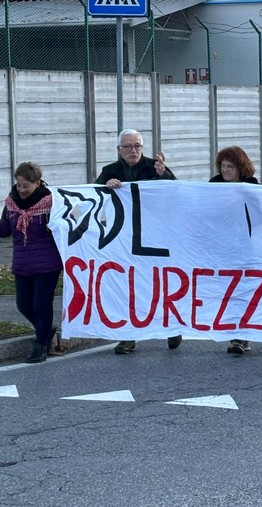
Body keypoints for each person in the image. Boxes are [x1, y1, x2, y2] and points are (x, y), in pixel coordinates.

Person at [95, 129, 178, 355]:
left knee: (157, 284)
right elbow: (94, 197)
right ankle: (128, 336)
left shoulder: (155, 167)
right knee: (127, 287)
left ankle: (172, 327)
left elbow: (176, 193)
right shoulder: (109, 171)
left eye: (137, 146)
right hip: (124, 239)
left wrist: (165, 175)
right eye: (128, 146)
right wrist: (105, 186)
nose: (133, 150)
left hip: (154, 236)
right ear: (119, 150)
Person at [0, 162, 62, 363]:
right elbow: (4, 229)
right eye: (18, 185)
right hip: (22, 262)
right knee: (23, 305)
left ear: (37, 183)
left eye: (26, 185)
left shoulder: (52, 202)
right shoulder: (11, 204)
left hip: (47, 263)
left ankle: (40, 345)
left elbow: (66, 225)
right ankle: (45, 330)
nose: (21, 189)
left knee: (41, 304)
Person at [210, 146, 258, 355]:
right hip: (222, 247)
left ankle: (241, 337)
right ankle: (233, 331)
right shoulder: (213, 185)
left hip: (246, 246)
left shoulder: (252, 186)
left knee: (243, 291)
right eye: (222, 166)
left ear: (241, 168)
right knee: (226, 291)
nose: (225, 170)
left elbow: (261, 215)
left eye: (230, 166)